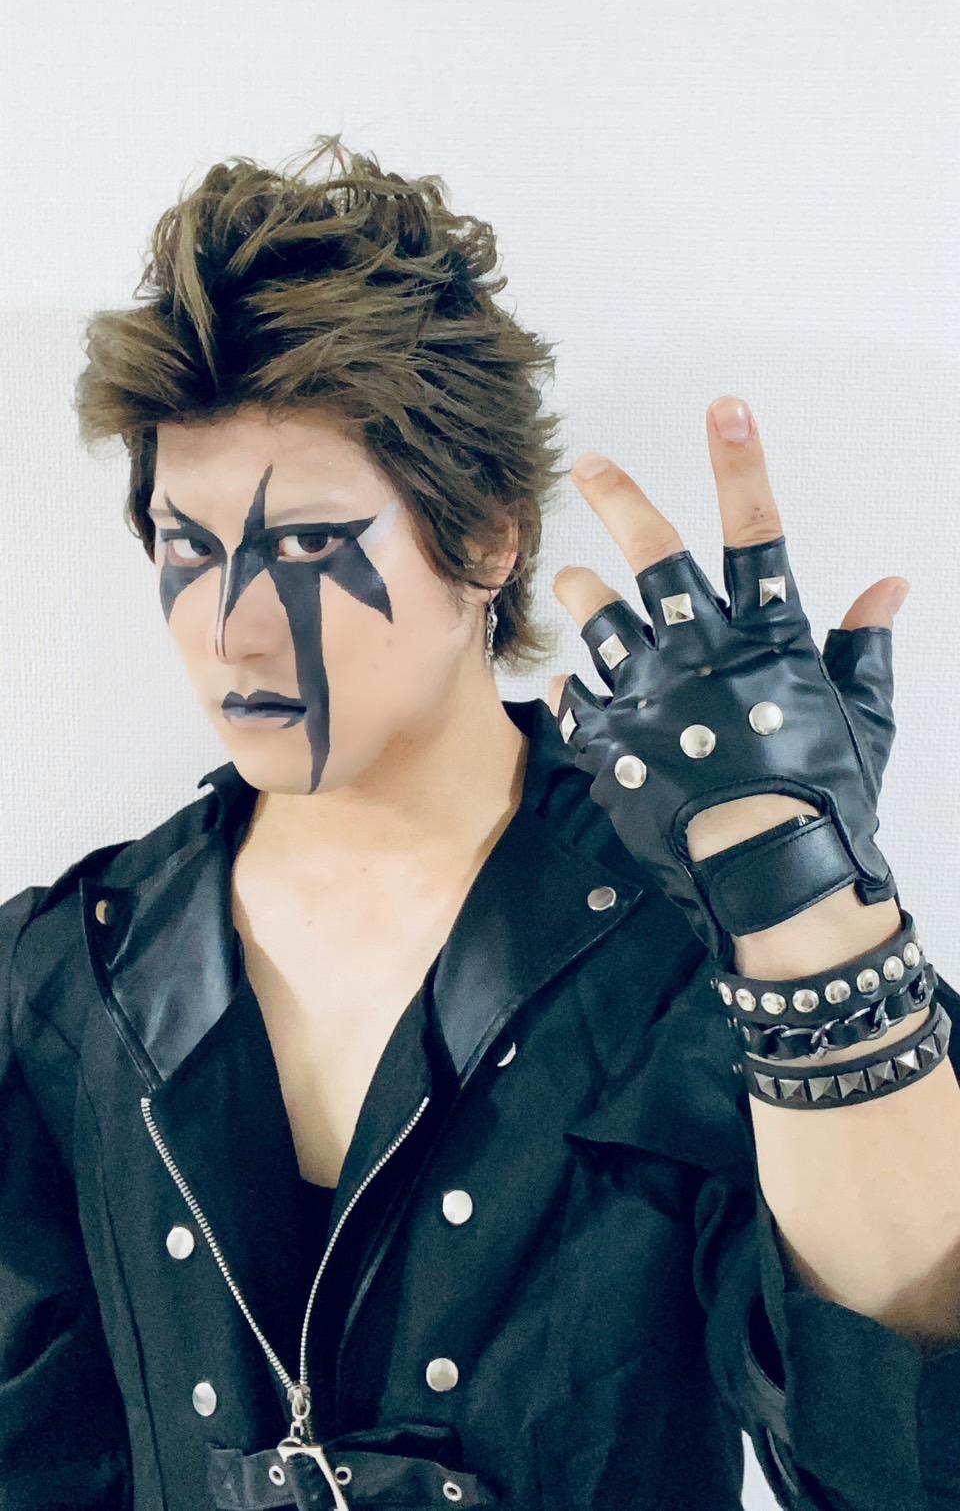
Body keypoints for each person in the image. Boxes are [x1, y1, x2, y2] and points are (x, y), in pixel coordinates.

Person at [2, 134, 958, 1511]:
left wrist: (802, 912)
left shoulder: (679, 940)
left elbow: (907, 1457)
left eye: (309, 545)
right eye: (187, 546)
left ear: (488, 539)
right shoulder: (67, 972)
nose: (232, 629)